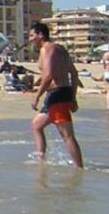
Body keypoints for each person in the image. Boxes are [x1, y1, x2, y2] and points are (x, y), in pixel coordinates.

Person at [28, 22, 84, 168]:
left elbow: (48, 76)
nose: (30, 39)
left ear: (41, 35)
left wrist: (36, 96)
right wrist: (73, 96)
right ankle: (41, 160)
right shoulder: (60, 49)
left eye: (32, 35)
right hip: (62, 93)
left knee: (67, 136)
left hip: (56, 95)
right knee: (36, 125)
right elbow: (74, 73)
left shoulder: (46, 49)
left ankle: (79, 168)